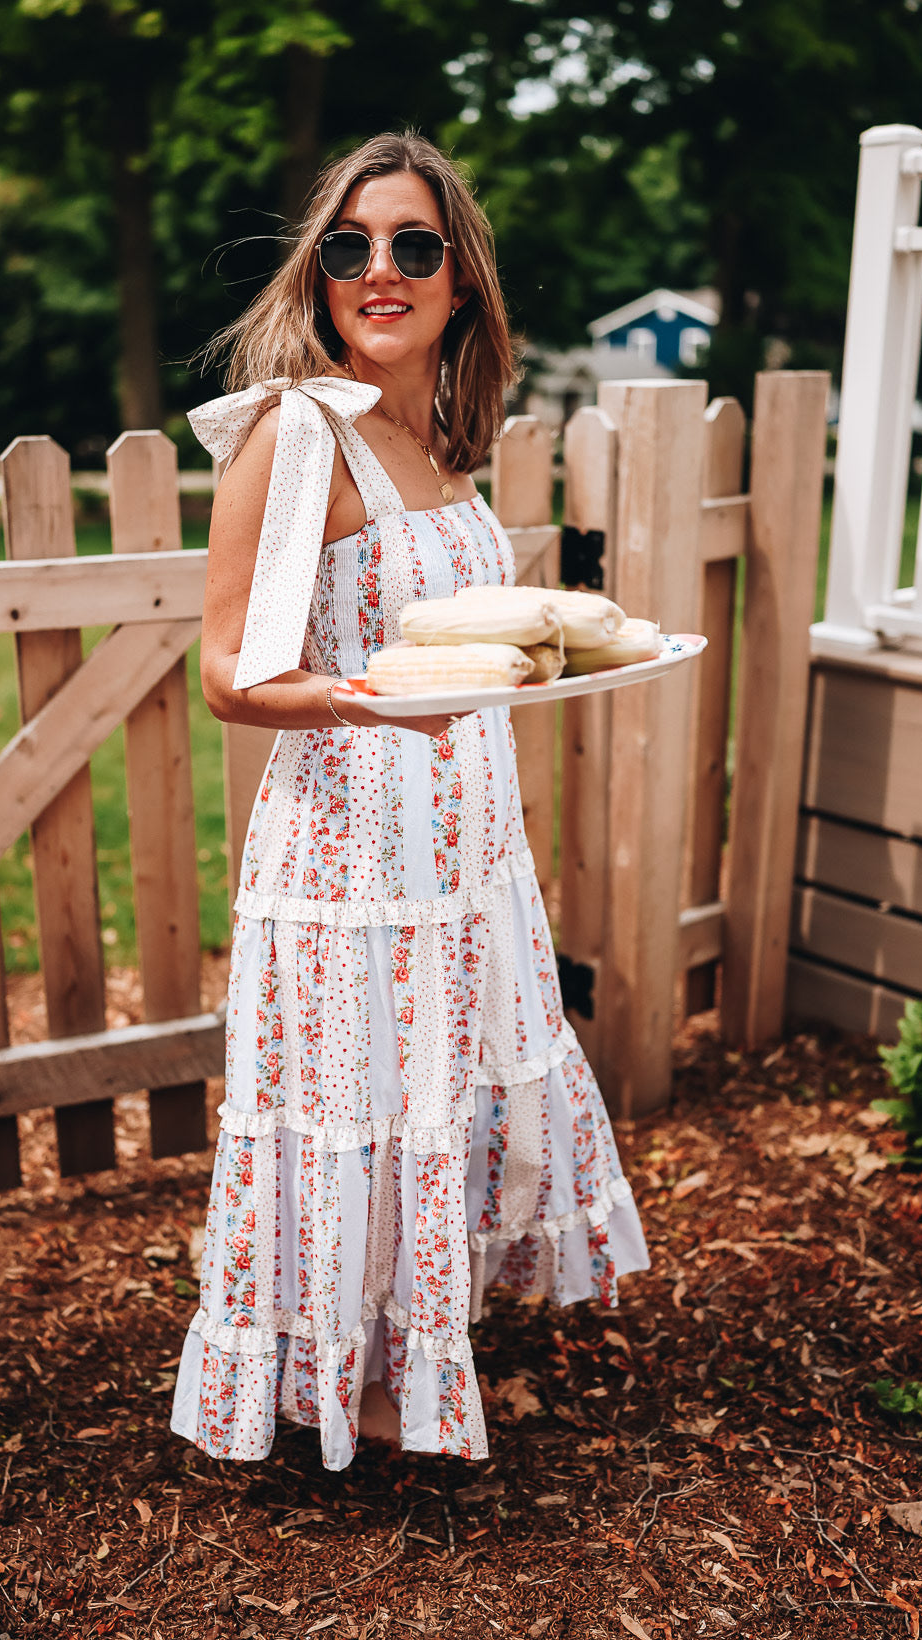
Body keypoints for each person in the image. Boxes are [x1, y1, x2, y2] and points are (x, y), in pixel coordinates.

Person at [169, 130, 650, 1473]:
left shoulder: (433, 434)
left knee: (426, 1100)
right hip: (351, 859)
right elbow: (224, 673)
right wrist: (361, 703)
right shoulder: (299, 435)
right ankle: (343, 1384)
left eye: (413, 246)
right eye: (350, 247)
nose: (380, 270)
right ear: (321, 276)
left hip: (456, 847)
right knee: (361, 1110)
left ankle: (401, 1343)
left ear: (458, 283)